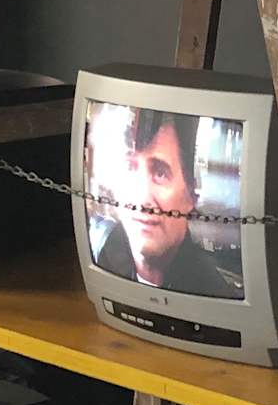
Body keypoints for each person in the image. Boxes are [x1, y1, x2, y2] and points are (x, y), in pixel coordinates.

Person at [91, 108, 244, 297]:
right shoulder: (103, 251)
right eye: (130, 167)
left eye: (160, 173)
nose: (142, 199)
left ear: (191, 194)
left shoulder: (215, 293)